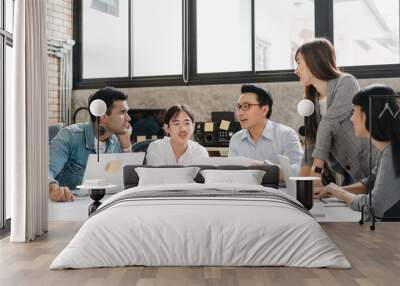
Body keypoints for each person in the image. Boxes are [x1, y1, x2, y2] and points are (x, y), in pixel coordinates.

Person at [294, 38, 375, 183]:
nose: (295, 70)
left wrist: (316, 170)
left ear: (314, 60)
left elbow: (328, 123)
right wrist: (299, 185)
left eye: (299, 62)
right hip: (346, 171)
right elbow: (311, 142)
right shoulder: (311, 99)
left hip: (369, 166)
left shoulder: (346, 82)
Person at [315, 84, 400, 220]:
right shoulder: (388, 149)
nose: (352, 118)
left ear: (367, 116)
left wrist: (341, 194)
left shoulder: (392, 153)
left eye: (354, 111)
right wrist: (334, 190)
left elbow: (372, 207)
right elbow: (372, 181)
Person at [49, 87, 132, 202]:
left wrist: (127, 146)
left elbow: (132, 183)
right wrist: (53, 189)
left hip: (106, 205)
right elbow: (45, 171)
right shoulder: (70, 136)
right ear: (103, 117)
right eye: (122, 112)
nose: (128, 118)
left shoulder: (118, 140)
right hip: (70, 204)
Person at [228, 84, 303, 176]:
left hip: (278, 190)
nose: (240, 113)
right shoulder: (236, 139)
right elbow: (231, 173)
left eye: (246, 106)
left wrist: (272, 170)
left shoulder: (286, 135)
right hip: (244, 190)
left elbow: (301, 171)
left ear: (264, 110)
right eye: (238, 107)